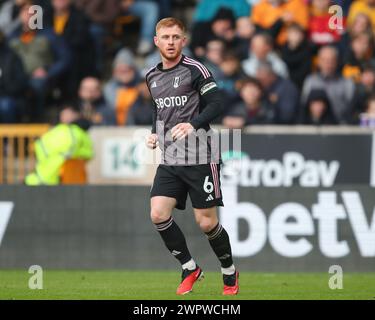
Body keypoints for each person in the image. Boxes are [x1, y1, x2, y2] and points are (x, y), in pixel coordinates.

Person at [145, 17, 239, 296]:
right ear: (156, 41)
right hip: (171, 158)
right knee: (158, 213)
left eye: (176, 37)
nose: (171, 42)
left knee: (207, 222)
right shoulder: (151, 76)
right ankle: (189, 267)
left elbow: (218, 103)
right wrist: (154, 133)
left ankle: (229, 271)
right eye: (166, 37)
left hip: (201, 155)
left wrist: (193, 124)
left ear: (183, 41)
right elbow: (158, 110)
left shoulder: (195, 69)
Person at [25, 104, 94, 185]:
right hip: (49, 177)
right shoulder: (61, 130)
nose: (65, 116)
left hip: (54, 178)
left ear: (77, 114)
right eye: (63, 114)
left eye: (68, 113)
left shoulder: (74, 131)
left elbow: (81, 151)